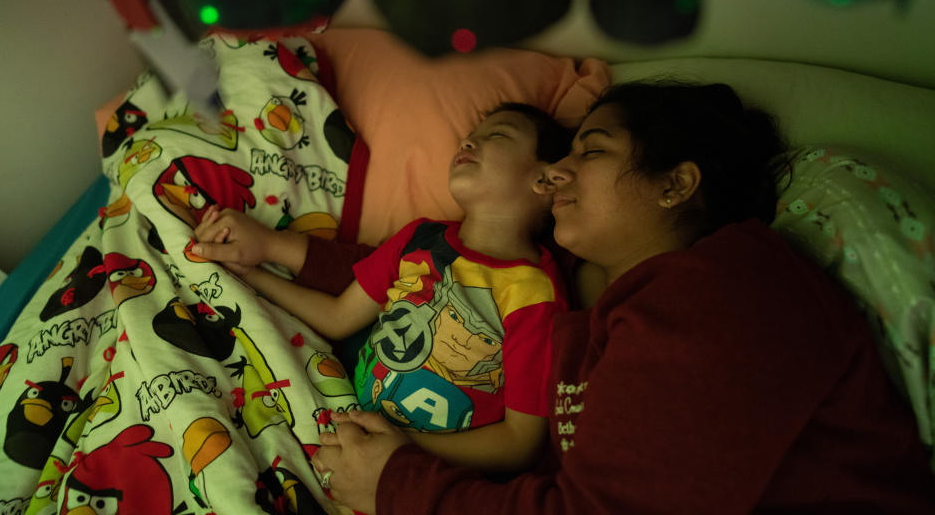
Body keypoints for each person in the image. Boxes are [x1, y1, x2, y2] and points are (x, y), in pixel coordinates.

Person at [309, 81, 935, 514]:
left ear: (675, 185)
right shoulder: (593, 296)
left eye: (593, 150)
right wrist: (280, 253)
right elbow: (424, 272)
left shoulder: (729, 289)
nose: (557, 171)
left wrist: (396, 483)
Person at [191, 103, 572, 473]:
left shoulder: (534, 294)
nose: (469, 143)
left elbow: (520, 442)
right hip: (341, 429)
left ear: (545, 179)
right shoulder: (420, 238)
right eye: (470, 136)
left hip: (420, 471)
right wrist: (250, 273)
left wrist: (402, 450)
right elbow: (338, 317)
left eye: (498, 135)